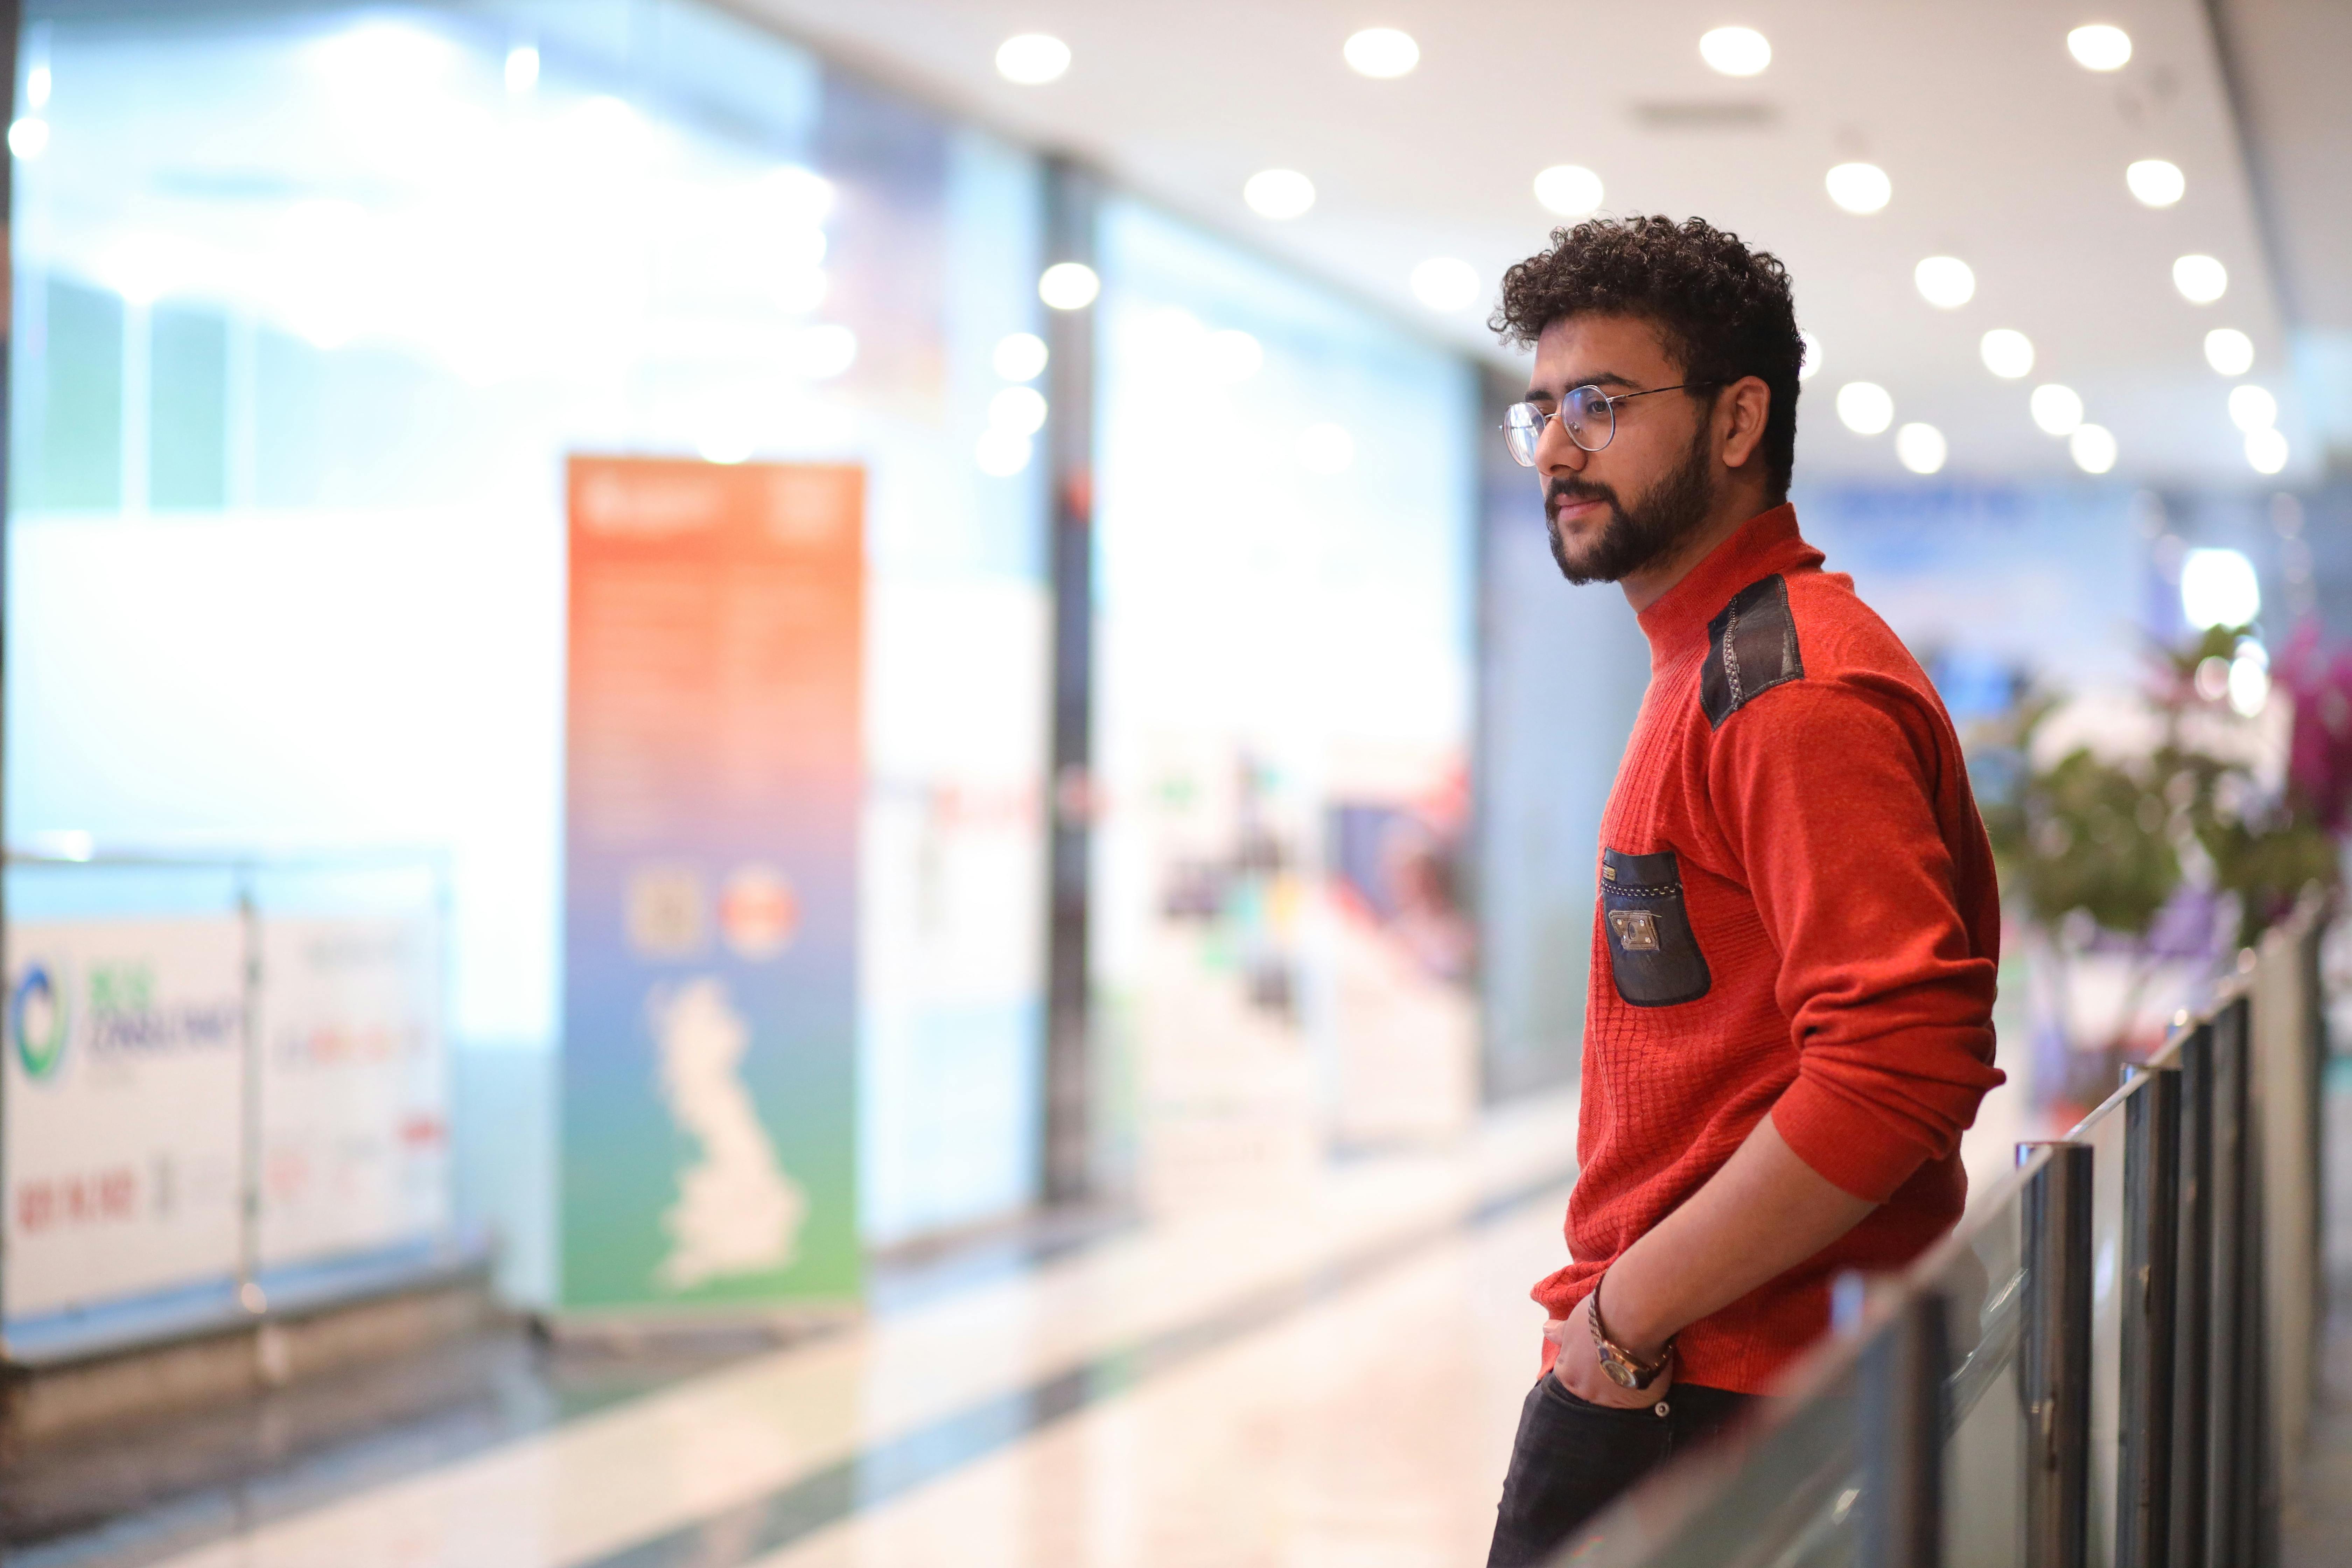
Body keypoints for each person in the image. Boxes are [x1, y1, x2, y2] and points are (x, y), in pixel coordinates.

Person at [1482, 215, 2005, 1567]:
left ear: (1737, 421)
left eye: (1600, 404)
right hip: (1704, 1372)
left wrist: (1623, 1321)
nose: (1554, 448)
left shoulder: (1786, 691)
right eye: (1540, 409)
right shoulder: (1708, 658)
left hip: (1727, 1392)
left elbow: (1898, 1062)